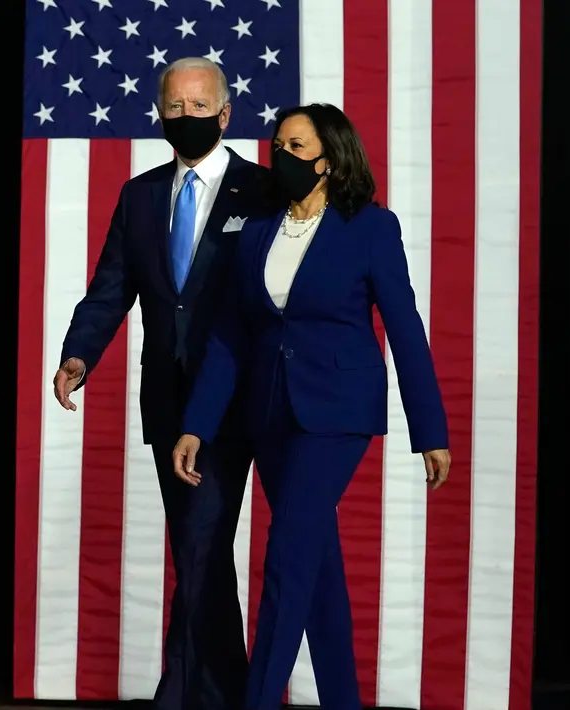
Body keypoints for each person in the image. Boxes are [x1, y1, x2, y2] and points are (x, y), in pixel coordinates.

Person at [171, 103, 452, 710]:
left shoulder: (371, 227)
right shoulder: (257, 229)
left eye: (297, 146)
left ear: (329, 159)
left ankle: (259, 700)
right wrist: (197, 424)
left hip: (337, 414)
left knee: (286, 560)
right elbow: (229, 335)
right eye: (278, 145)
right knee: (315, 565)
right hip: (268, 414)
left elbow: (405, 328)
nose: (282, 156)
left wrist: (430, 429)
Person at [53, 57, 272, 710]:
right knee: (195, 550)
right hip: (167, 401)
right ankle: (219, 690)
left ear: (225, 114)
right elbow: (110, 288)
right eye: (174, 107)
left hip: (236, 400)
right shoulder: (140, 195)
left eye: (199, 107)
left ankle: (183, 694)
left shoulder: (260, 191)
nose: (186, 118)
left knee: (201, 547)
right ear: (158, 113)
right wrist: (77, 355)